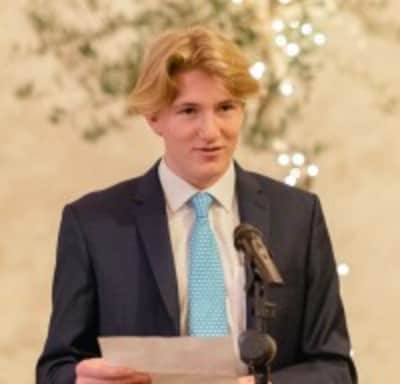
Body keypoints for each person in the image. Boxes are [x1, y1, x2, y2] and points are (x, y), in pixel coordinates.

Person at [36, 26, 357, 384]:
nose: (211, 131)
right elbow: (55, 368)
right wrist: (79, 380)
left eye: (225, 108)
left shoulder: (298, 215)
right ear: (154, 117)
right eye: (189, 111)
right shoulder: (94, 223)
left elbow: (335, 368)